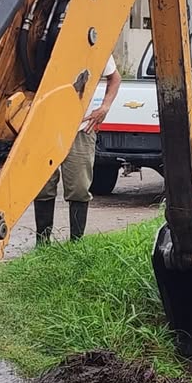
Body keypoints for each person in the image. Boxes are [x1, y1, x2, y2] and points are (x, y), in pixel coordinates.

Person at [34, 54, 121, 245]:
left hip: (81, 128)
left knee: (80, 187)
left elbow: (114, 77)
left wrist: (105, 107)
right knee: (43, 187)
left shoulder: (92, 41)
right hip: (44, 127)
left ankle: (76, 244)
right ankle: (42, 242)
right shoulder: (43, 41)